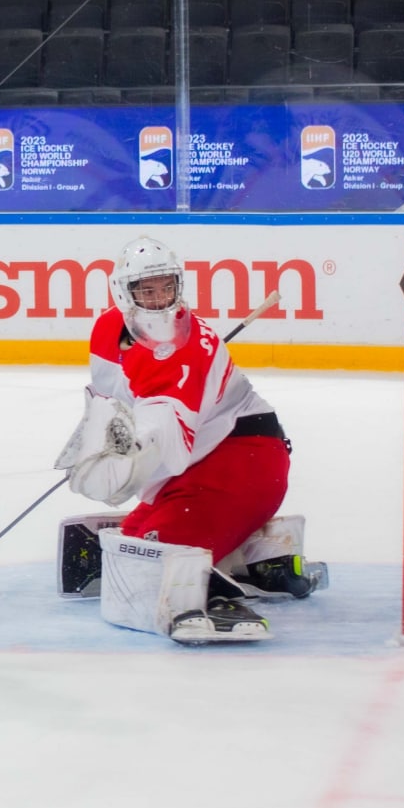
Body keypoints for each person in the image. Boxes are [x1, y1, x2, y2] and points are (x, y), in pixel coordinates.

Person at [55, 236, 312, 643]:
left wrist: (119, 465)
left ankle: (221, 585)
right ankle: (259, 555)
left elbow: (167, 444)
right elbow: (111, 401)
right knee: (134, 543)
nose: (158, 299)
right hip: (201, 464)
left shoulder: (184, 347)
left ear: (179, 286)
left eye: (166, 287)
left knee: (156, 563)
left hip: (246, 461)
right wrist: (97, 442)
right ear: (124, 292)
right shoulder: (109, 327)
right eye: (146, 289)